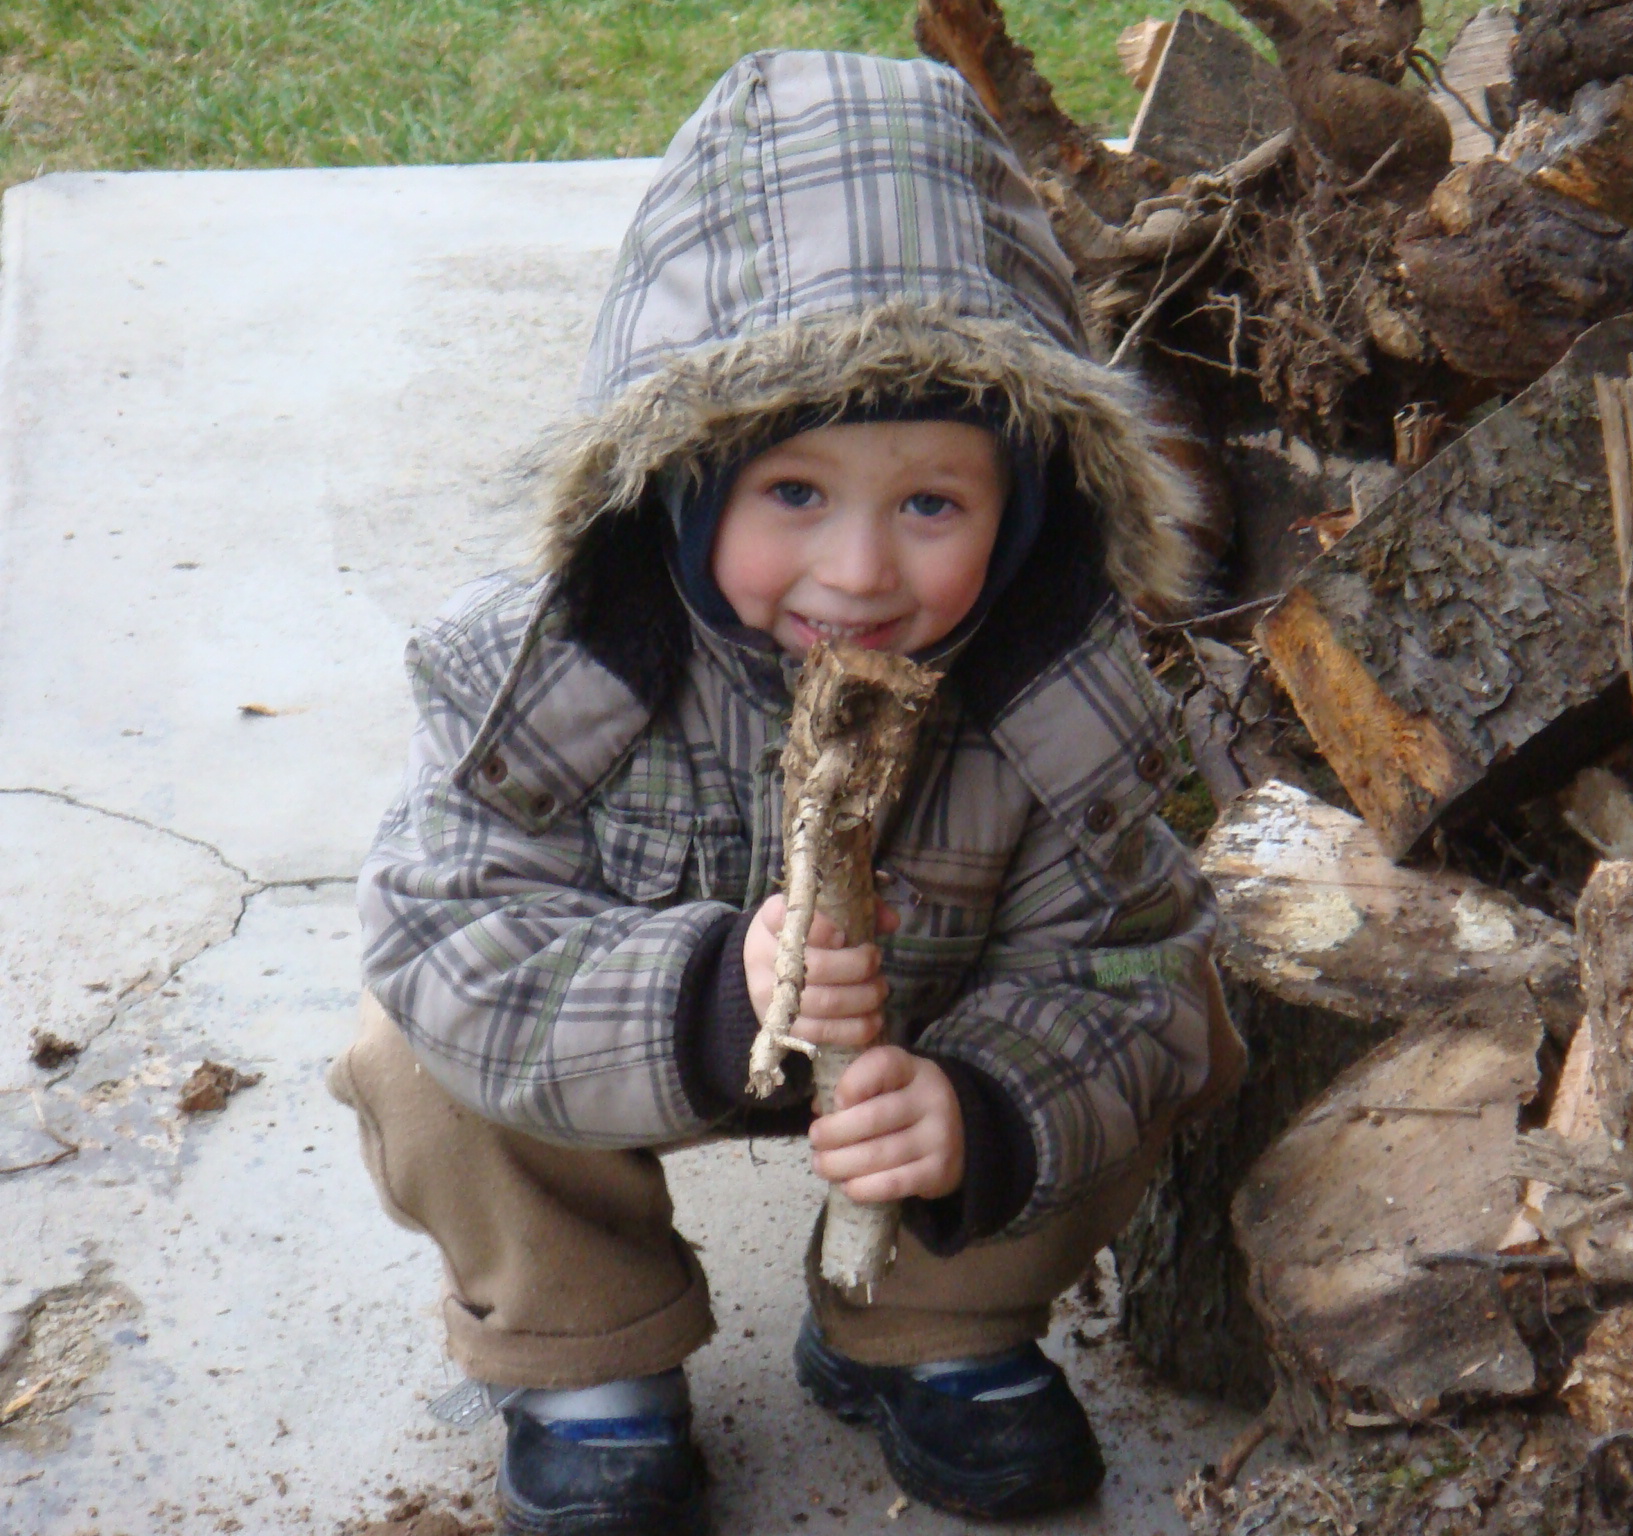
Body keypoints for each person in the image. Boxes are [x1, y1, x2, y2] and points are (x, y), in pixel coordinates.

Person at [328, 48, 1242, 1536]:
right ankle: (585, 1350)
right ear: (685, 476)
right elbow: (444, 922)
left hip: (924, 1045)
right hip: (624, 1045)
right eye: (795, 494)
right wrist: (702, 994)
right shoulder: (570, 662)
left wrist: (983, 1115)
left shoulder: (1049, 700)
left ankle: (929, 1327)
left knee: (1187, 1020)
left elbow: (1123, 967)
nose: (861, 571)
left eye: (932, 503)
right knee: (410, 1047)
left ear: (1024, 516)